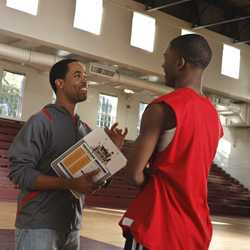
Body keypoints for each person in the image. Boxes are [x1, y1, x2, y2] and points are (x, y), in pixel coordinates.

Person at [8, 58, 127, 250]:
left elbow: (94, 181)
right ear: (59, 83)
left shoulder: (85, 130)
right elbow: (19, 173)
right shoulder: (41, 121)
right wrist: (68, 183)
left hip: (71, 228)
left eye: (85, 77)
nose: (84, 81)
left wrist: (112, 151)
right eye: (77, 75)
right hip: (38, 226)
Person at [119, 34, 223, 250]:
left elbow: (133, 174)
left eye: (166, 57)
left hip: (159, 225)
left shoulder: (162, 108)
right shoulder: (214, 116)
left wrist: (154, 182)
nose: (163, 64)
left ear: (180, 62)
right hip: (195, 228)